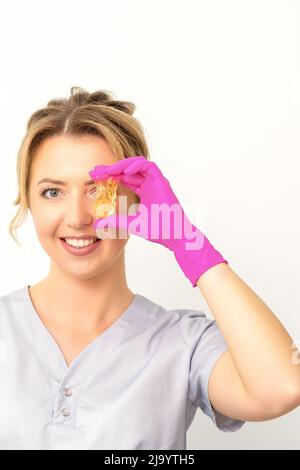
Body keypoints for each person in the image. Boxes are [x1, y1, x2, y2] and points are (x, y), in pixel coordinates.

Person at [1, 87, 299, 450]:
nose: (78, 217)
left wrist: (188, 243)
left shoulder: (183, 344)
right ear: (28, 201)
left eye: (100, 190)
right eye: (52, 192)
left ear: (139, 197)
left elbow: (281, 388)